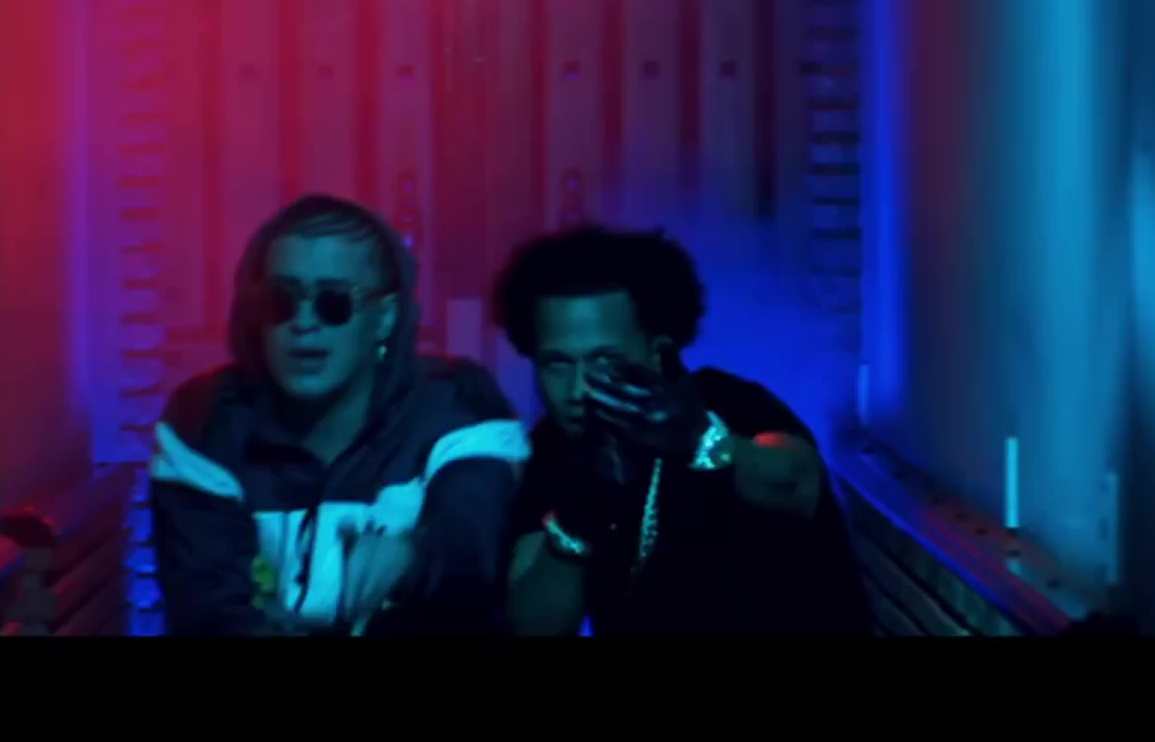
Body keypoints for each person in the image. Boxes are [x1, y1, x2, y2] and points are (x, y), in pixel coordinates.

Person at [149, 194, 529, 636]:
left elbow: (472, 551)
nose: (303, 322)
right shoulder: (206, 423)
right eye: (281, 300)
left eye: (333, 302)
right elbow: (209, 613)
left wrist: (413, 556)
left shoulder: (456, 406)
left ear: (384, 318)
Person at [493, 224, 872, 636]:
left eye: (604, 360)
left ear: (658, 352)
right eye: (558, 364)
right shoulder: (553, 445)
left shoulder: (729, 403)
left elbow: (798, 482)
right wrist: (577, 521)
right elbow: (533, 623)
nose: (577, 390)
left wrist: (700, 440)